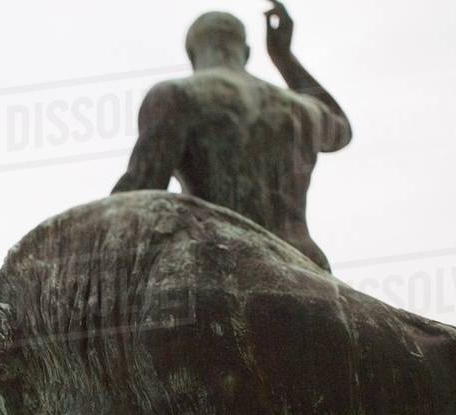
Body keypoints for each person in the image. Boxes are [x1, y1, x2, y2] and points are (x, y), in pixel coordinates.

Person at [111, 3, 350, 271]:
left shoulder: (175, 95)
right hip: (306, 264)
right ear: (246, 52)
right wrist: (284, 56)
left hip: (217, 261)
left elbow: (137, 197)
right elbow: (342, 129)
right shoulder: (303, 109)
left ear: (192, 55)